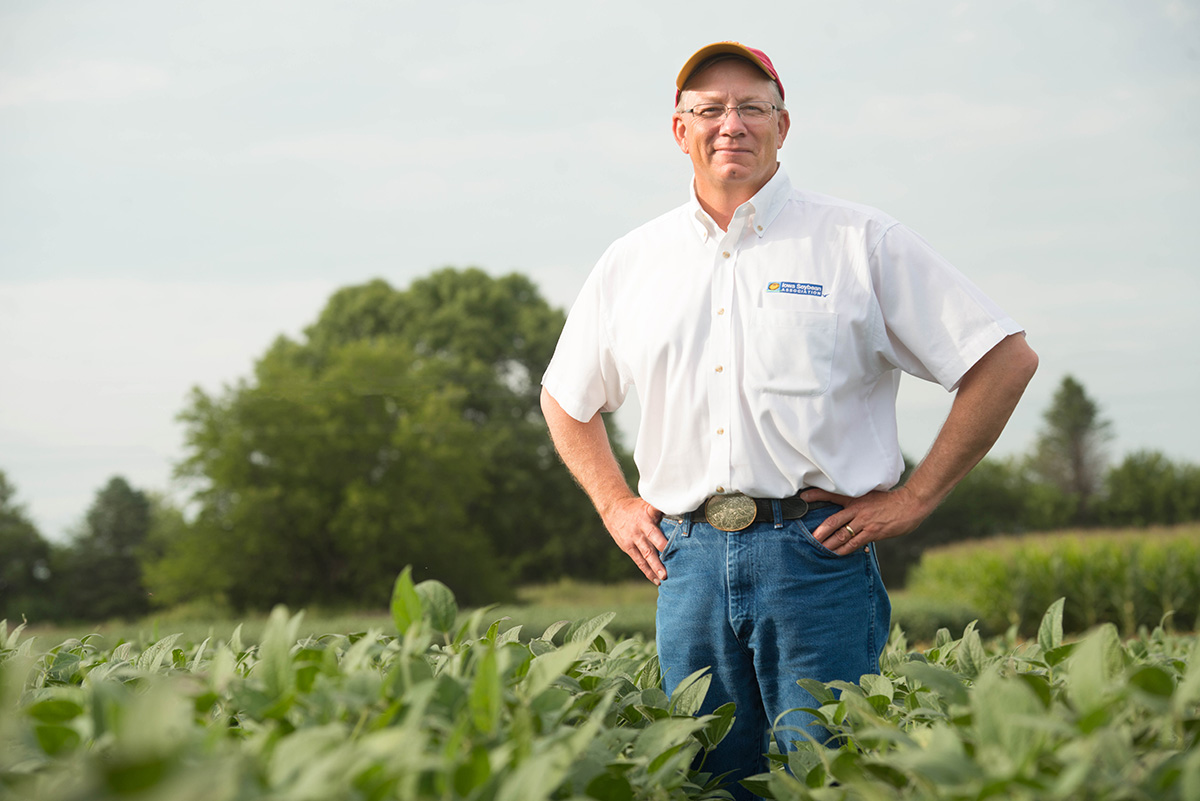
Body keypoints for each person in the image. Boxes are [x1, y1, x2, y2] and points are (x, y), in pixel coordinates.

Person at [540, 41, 1038, 797]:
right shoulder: (633, 260)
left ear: (784, 124)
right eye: (709, 109)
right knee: (708, 782)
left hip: (816, 558)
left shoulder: (857, 240)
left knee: (829, 776)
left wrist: (917, 497)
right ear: (680, 131)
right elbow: (565, 398)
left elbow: (1003, 359)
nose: (730, 124)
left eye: (751, 107)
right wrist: (614, 503)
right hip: (688, 563)